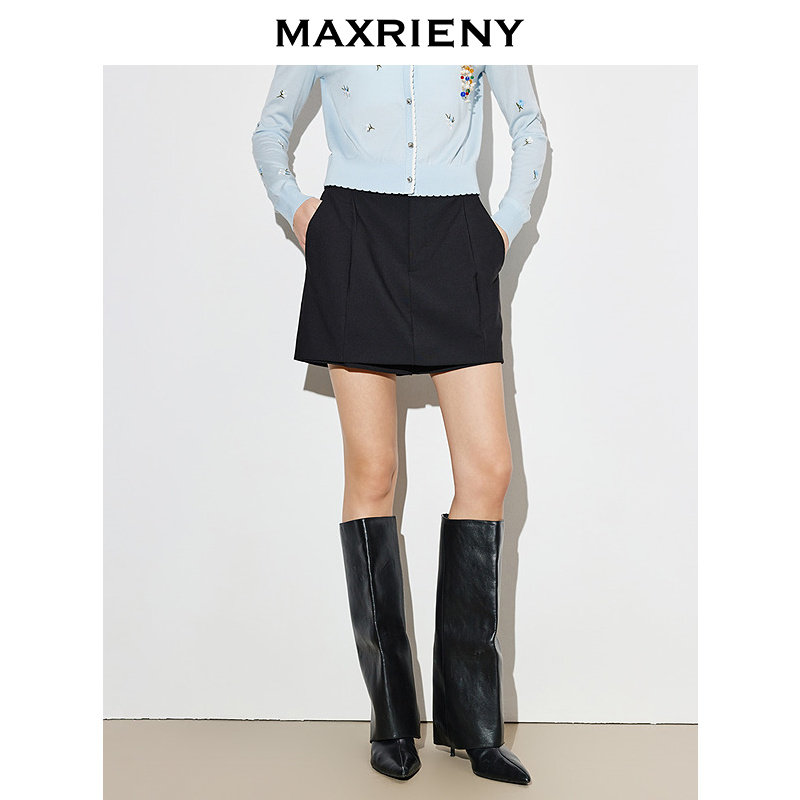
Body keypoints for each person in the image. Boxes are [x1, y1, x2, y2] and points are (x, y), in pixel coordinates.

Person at [252, 64, 547, 785]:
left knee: (489, 471)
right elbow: (269, 128)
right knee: (373, 472)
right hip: (356, 234)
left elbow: (529, 126)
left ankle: (473, 723)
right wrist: (300, 211)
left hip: (456, 234)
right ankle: (391, 718)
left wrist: (503, 225)